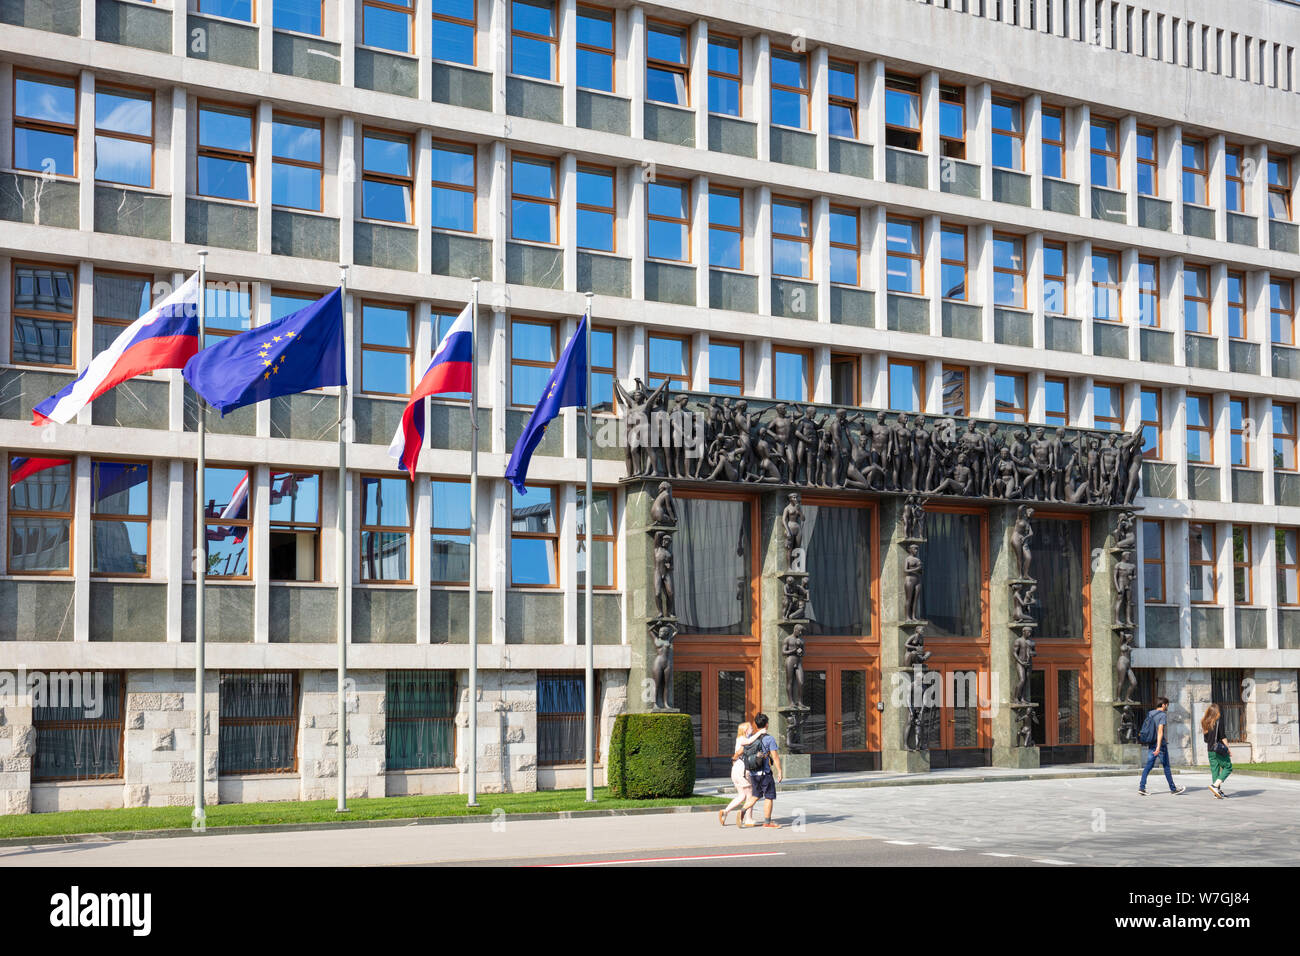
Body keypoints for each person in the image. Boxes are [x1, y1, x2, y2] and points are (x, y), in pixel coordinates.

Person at [739, 713, 783, 828]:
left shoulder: (751, 738)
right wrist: (780, 771)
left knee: (755, 795)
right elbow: (775, 757)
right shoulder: (769, 739)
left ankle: (742, 810)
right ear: (767, 724)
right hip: (765, 774)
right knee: (769, 796)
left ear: (756, 725)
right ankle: (767, 822)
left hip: (753, 772)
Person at [1138, 696, 1186, 796]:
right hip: (1159, 745)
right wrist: (1159, 747)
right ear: (1163, 704)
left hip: (1151, 742)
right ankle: (1173, 789)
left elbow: (1152, 729)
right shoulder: (1162, 715)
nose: (1167, 706)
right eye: (1167, 704)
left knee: (1148, 766)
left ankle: (1142, 787)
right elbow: (1159, 731)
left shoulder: (1150, 713)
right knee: (1166, 767)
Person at [719, 722, 760, 826]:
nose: (752, 728)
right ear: (745, 729)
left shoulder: (740, 739)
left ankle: (725, 812)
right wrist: (761, 732)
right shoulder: (742, 739)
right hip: (742, 769)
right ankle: (748, 819)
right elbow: (750, 741)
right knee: (750, 795)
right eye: (750, 727)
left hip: (736, 769)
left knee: (741, 795)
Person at [1202, 703, 1233, 799]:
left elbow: (1206, 739)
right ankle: (1215, 786)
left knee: (1215, 770)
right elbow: (1223, 736)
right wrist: (1228, 749)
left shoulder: (1204, 722)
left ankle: (1217, 792)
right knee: (1228, 767)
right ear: (1216, 712)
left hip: (1210, 750)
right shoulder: (1218, 721)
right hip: (1218, 749)